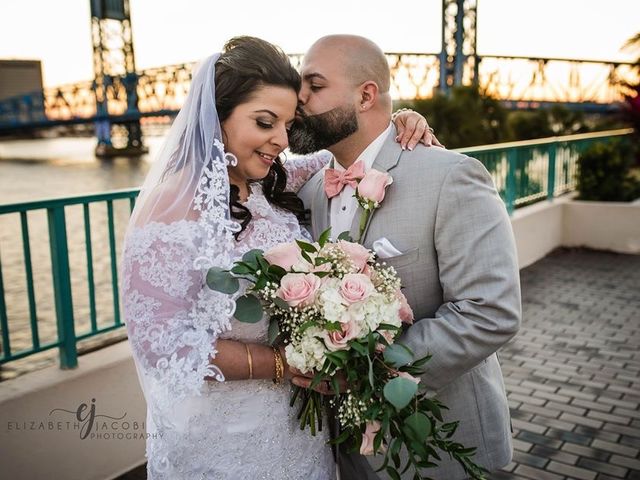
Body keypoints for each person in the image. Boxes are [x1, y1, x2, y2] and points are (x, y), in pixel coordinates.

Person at [121, 36, 436, 479]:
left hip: (297, 435)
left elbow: (349, 150)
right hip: (222, 442)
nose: (281, 142)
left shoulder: (272, 182)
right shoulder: (169, 211)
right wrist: (286, 363)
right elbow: (163, 348)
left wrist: (399, 118)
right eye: (265, 122)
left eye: (288, 125)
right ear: (218, 116)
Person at [293, 35, 522, 480]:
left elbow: (490, 311)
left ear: (365, 95)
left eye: (314, 85)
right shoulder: (310, 189)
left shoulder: (450, 176)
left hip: (443, 444)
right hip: (347, 453)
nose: (299, 97)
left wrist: (365, 372)